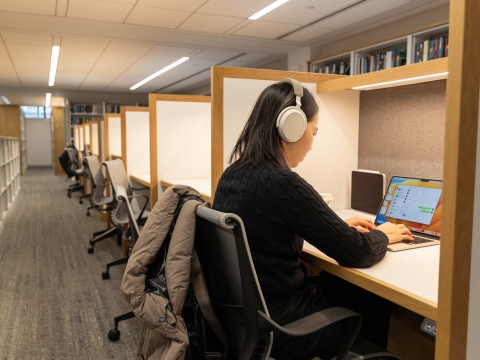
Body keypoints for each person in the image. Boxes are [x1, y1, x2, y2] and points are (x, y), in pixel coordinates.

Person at [212, 79, 413, 360]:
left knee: (340, 282)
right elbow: (357, 252)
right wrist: (383, 234)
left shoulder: (233, 174)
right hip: (282, 328)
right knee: (373, 293)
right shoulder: (282, 182)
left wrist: (334, 228)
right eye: (314, 132)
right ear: (292, 127)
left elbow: (265, 230)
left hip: (247, 321)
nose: (312, 143)